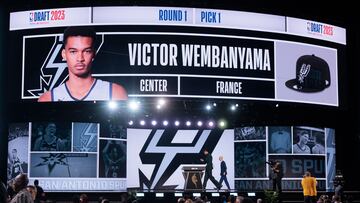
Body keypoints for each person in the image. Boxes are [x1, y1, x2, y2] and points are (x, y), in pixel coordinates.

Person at [38, 26, 128, 102]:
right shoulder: (48, 99)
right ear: (64, 54)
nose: (80, 58)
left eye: (86, 51)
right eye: (73, 51)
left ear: (93, 54)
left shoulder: (115, 93)